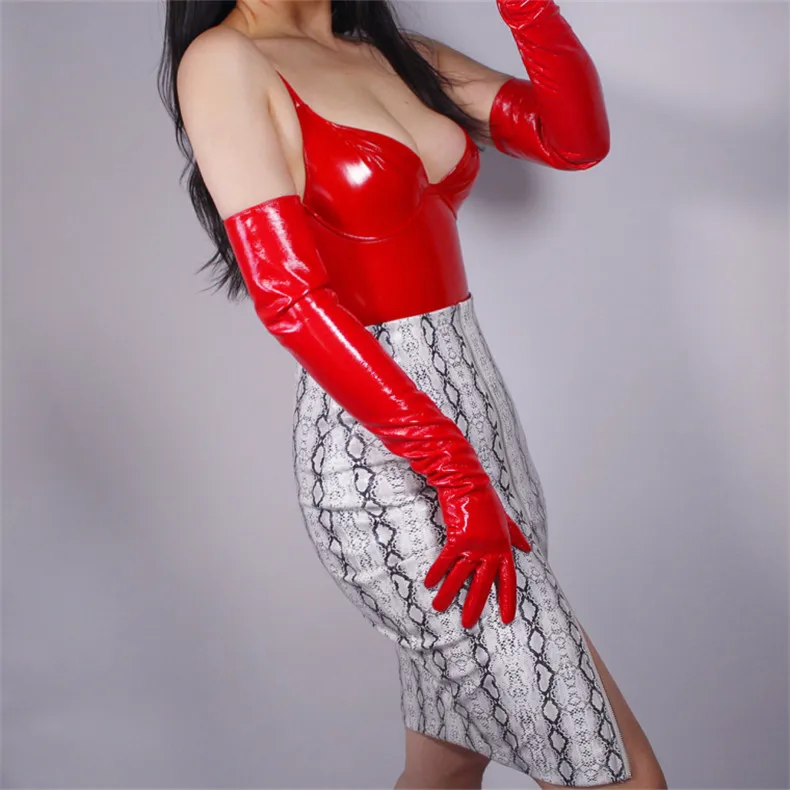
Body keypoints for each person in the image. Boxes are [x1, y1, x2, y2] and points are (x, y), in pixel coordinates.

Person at [158, 0, 667, 786]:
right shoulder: (226, 61)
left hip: (486, 435)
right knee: (623, 777)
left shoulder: (400, 55)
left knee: (445, 771)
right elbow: (289, 298)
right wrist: (454, 474)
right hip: (387, 469)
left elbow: (573, 139)